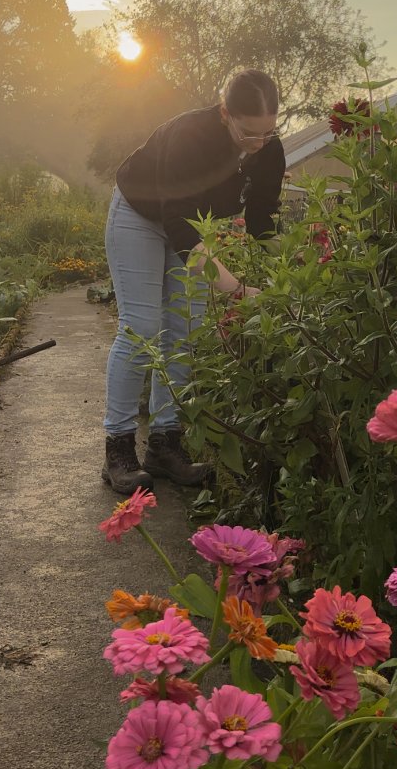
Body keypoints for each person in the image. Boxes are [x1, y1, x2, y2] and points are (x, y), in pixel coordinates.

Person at [102, 68, 284, 493]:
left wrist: (285, 278)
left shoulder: (268, 150)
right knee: (142, 326)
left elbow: (262, 222)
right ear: (225, 114)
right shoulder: (190, 137)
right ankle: (119, 448)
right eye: (248, 134)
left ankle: (166, 445)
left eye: (268, 133)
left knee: (186, 331)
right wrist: (238, 289)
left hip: (190, 226)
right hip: (140, 216)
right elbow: (180, 230)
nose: (258, 144)